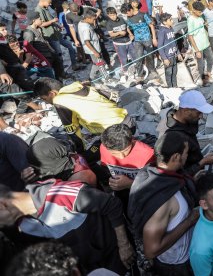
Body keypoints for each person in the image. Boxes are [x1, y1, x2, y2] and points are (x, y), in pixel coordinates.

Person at [0, 180, 135, 274]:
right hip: (87, 266)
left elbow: (111, 204)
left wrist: (124, 245)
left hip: (114, 254)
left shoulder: (59, 194)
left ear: (2, 205)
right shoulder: (20, 226)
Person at [128, 137, 197, 276]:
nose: (187, 156)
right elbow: (151, 251)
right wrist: (190, 220)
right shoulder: (165, 201)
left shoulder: (151, 173)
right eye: (186, 153)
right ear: (176, 156)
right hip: (175, 265)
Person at [33, 77, 129, 158]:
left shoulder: (59, 101)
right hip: (126, 120)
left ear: (52, 93)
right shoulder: (80, 86)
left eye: (44, 99)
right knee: (96, 146)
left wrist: (80, 151)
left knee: (87, 158)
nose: (46, 102)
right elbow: (112, 97)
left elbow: (72, 130)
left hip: (116, 133)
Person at [157, 89, 213, 175]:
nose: (201, 116)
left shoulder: (188, 120)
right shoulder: (169, 136)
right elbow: (175, 173)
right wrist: (202, 162)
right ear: (186, 111)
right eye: (198, 113)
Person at [126, 0, 159, 83]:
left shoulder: (143, 14)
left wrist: (154, 38)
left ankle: (152, 71)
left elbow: (151, 26)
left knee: (150, 55)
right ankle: (140, 75)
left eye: (127, 13)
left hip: (147, 38)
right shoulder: (129, 18)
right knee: (139, 57)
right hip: (137, 40)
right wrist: (131, 34)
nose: (127, 15)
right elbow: (127, 27)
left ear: (130, 10)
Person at [187, 1, 213, 85]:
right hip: (198, 46)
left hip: (206, 43)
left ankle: (209, 74)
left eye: (202, 12)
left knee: (210, 58)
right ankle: (203, 80)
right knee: (201, 64)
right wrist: (197, 50)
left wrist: (206, 24)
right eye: (199, 12)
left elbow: (203, 24)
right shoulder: (190, 20)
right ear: (194, 10)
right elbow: (190, 36)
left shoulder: (200, 17)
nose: (201, 13)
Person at [77, 8, 108, 81]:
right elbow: (87, 41)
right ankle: (106, 77)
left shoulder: (81, 23)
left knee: (96, 63)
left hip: (91, 48)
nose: (94, 21)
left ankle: (91, 77)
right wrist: (95, 52)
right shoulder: (86, 28)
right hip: (94, 49)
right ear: (87, 18)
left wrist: (95, 35)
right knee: (100, 64)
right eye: (93, 19)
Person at [157, 13, 180, 87]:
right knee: (169, 73)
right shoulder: (162, 31)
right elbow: (160, 46)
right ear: (164, 22)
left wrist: (178, 53)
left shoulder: (171, 28)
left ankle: (175, 87)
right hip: (168, 57)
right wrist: (165, 58)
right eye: (170, 20)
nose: (172, 21)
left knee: (174, 72)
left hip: (173, 55)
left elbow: (175, 42)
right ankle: (170, 88)